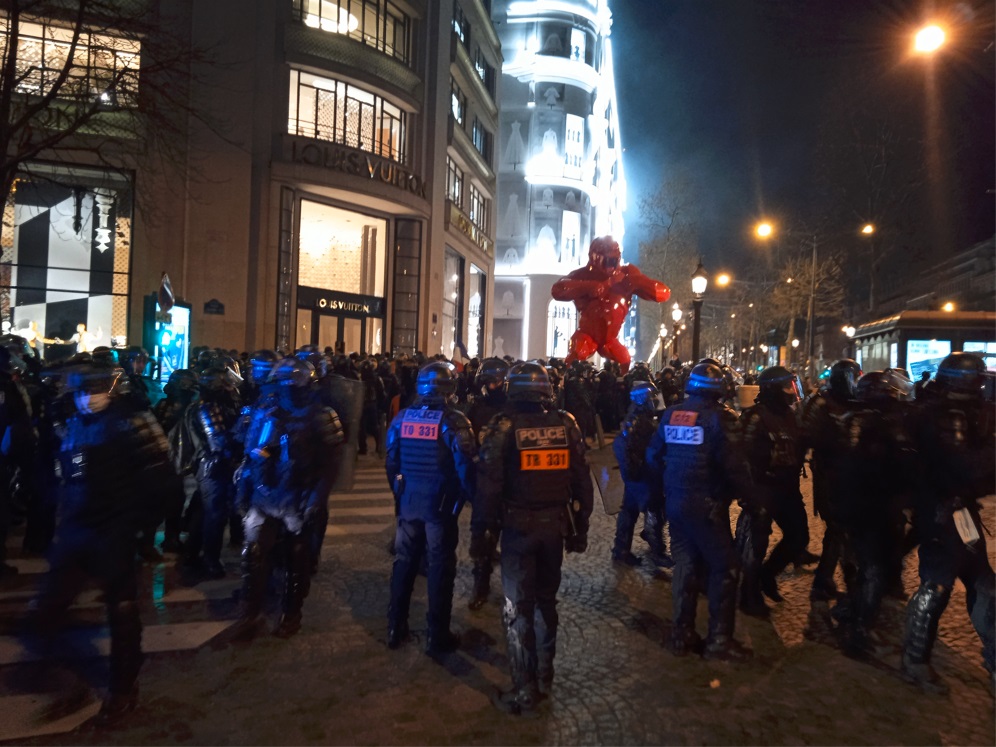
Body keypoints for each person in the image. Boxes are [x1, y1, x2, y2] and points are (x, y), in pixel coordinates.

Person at [31, 364, 175, 723]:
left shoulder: (135, 422)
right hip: (78, 530)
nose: (87, 398)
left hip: (115, 532)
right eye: (81, 391)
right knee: (45, 612)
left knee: (123, 613)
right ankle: (73, 680)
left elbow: (164, 484)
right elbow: (69, 473)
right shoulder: (76, 421)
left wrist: (137, 528)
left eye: (94, 390)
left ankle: (123, 689)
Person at [478, 362, 593, 714]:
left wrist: (482, 533)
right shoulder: (566, 424)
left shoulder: (503, 427)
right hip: (553, 528)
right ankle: (545, 672)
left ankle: (525, 687)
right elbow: (583, 480)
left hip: (517, 529)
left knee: (518, 608)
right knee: (546, 600)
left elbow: (488, 486)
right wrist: (581, 526)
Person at [901, 352, 995, 693]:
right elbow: (963, 465)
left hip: (963, 512)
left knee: (984, 585)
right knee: (936, 588)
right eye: (978, 379)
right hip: (940, 512)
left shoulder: (967, 413)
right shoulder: (944, 416)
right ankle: (914, 659)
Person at [646, 362, 751, 661]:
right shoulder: (722, 418)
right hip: (706, 505)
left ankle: (681, 632)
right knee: (725, 568)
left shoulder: (672, 414)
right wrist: (750, 497)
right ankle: (719, 639)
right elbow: (735, 467)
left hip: (676, 501)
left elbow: (654, 456)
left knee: (686, 564)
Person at [234, 358, 342, 639]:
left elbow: (332, 463)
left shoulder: (322, 415)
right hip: (265, 494)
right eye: (285, 381)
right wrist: (245, 491)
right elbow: (252, 453)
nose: (290, 386)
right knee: (253, 554)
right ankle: (250, 612)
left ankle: (291, 614)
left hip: (298, 495)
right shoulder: (266, 412)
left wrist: (316, 498)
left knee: (297, 557)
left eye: (295, 380)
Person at [385, 361, 476, 654]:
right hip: (440, 506)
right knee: (439, 568)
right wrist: (466, 498)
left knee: (403, 564)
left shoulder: (401, 419)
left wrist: (401, 493)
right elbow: (465, 468)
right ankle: (437, 635)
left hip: (409, 503)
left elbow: (391, 463)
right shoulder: (454, 421)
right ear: (450, 390)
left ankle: (394, 627)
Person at [736, 365, 808, 618]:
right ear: (773, 389)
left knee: (799, 538)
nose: (792, 391)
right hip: (763, 488)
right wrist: (749, 492)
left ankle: (768, 575)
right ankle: (748, 593)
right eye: (787, 386)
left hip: (788, 487)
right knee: (757, 544)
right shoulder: (755, 416)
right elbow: (741, 455)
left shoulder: (791, 415)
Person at [799, 359, 860, 610]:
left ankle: (824, 580)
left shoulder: (855, 403)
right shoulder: (822, 403)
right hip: (830, 476)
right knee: (838, 528)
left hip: (850, 476)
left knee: (839, 531)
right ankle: (841, 586)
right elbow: (808, 436)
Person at [466, 357, 509, 610]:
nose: (491, 386)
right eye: (487, 382)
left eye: (496, 381)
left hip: (509, 483)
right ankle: (480, 586)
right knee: (482, 539)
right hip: (484, 481)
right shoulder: (476, 409)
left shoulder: (513, 410)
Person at [612, 379, 670, 568]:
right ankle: (657, 551)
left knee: (629, 511)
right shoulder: (639, 421)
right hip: (641, 474)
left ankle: (621, 550)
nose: (654, 401)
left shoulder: (638, 417)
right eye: (651, 398)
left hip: (636, 473)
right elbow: (630, 448)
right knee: (654, 509)